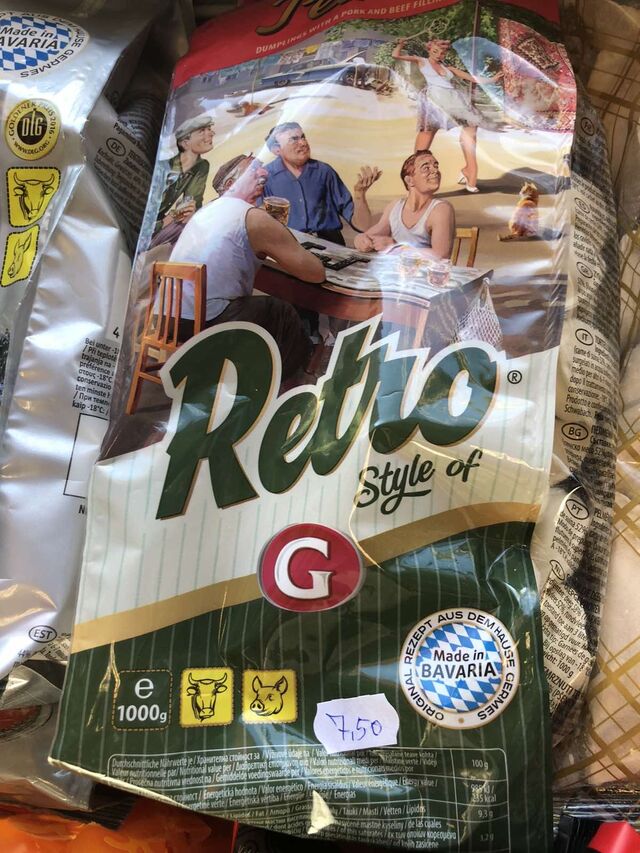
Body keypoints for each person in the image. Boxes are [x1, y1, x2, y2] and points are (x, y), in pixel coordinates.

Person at [169, 154, 325, 380]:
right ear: (230, 184)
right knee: (281, 311)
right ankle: (285, 384)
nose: (264, 173)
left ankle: (255, 375)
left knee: (259, 307)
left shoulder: (209, 210)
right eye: (253, 170)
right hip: (205, 322)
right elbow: (315, 273)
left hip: (169, 318)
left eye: (261, 168)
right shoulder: (252, 217)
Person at [392, 38, 502, 192]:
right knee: (426, 136)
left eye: (442, 53)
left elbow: (471, 78)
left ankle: (470, 170)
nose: (438, 55)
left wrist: (492, 79)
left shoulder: (448, 68)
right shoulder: (422, 61)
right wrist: (400, 44)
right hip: (434, 101)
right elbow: (396, 55)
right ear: (429, 50)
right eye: (435, 51)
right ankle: (415, 176)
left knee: (471, 127)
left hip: (454, 101)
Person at [262, 121, 381, 245]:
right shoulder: (265, 177)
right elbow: (260, 223)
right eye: (294, 139)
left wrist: (360, 194)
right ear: (277, 150)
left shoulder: (324, 171)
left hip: (331, 245)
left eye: (303, 137)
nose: (303, 143)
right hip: (289, 247)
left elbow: (362, 226)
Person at [354, 150, 455, 259]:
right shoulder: (395, 207)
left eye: (436, 166)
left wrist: (397, 248)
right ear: (409, 180)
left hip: (426, 270)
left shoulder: (441, 210)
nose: (435, 171)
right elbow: (372, 234)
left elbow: (441, 255)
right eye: (426, 168)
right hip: (397, 268)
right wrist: (360, 239)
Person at [153, 114, 215, 240]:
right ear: (185, 143)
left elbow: (194, 201)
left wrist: (190, 210)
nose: (211, 133)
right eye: (202, 131)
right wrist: (167, 220)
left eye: (209, 129)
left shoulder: (201, 167)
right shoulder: (162, 169)